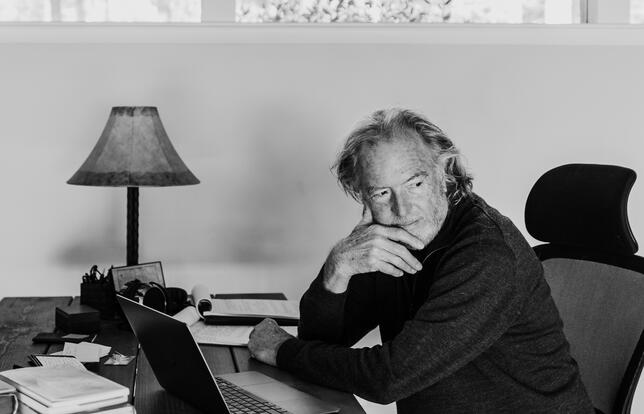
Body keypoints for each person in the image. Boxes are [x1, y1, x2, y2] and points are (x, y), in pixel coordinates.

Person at [247, 108, 594, 413]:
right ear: (362, 195)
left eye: (415, 184)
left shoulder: (487, 254)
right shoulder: (391, 238)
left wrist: (282, 351)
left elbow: (389, 378)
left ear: (445, 171)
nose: (402, 209)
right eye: (382, 193)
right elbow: (320, 340)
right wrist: (338, 268)